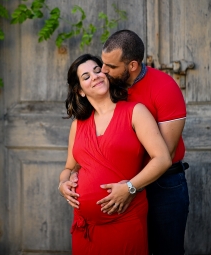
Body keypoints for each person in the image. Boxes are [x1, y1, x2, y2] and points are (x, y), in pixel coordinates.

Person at [58, 54, 172, 254]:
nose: (94, 77)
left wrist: (130, 187)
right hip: (85, 227)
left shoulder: (135, 112)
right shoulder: (78, 125)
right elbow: (70, 167)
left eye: (97, 70)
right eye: (86, 77)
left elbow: (162, 159)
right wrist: (63, 183)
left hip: (125, 219)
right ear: (80, 91)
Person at [95, 29, 190, 255]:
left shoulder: (164, 87)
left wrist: (130, 187)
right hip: (118, 183)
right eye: (102, 63)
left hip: (162, 185)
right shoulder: (106, 87)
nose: (103, 71)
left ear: (133, 66)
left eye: (111, 67)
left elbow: (164, 155)